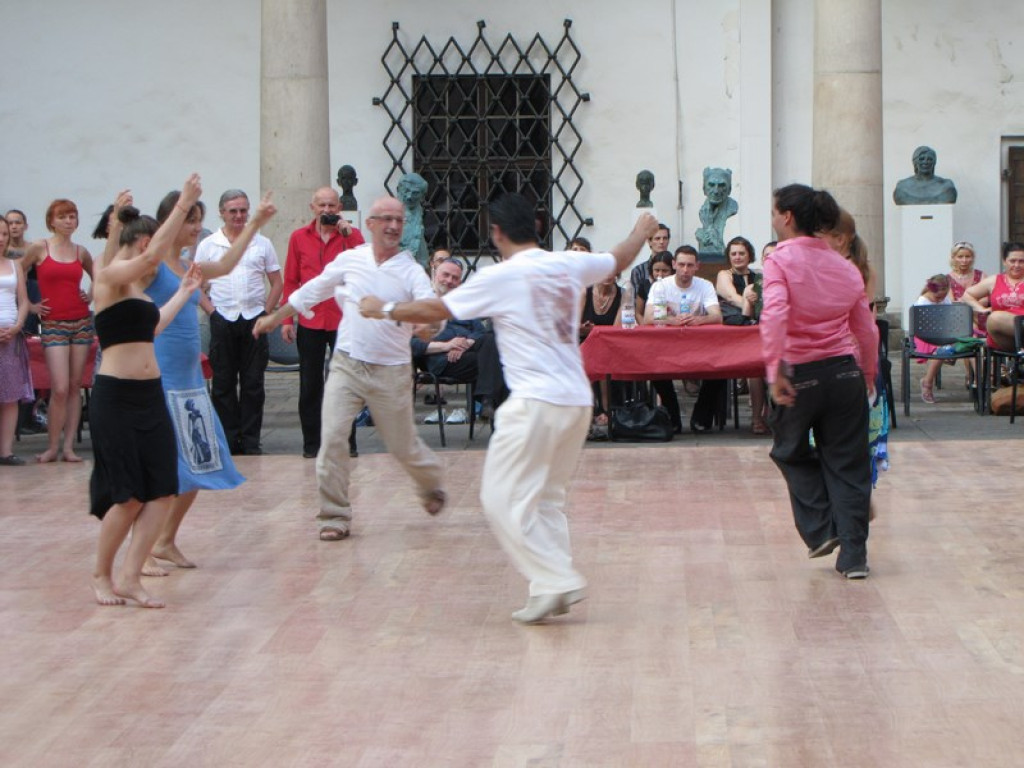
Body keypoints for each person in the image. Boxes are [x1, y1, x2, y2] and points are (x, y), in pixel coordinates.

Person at [359, 194, 659, 623]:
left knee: (498, 498)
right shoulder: (566, 263)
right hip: (576, 401)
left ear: (496, 233)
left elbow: (436, 308)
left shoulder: (500, 276)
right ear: (535, 225)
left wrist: (383, 308)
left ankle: (556, 579)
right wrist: (641, 230)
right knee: (546, 499)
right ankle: (547, 588)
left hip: (534, 403)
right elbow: (617, 259)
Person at [252, 196, 445, 542]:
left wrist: (394, 312)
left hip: (392, 371)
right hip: (347, 364)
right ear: (369, 224)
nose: (393, 225)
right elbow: (313, 289)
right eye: (385, 218)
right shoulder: (350, 259)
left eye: (398, 220)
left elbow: (431, 312)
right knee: (332, 438)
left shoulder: (410, 269)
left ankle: (429, 483)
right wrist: (276, 317)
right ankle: (334, 514)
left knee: (403, 446)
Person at [138, 185, 276, 572]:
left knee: (203, 459)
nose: (197, 228)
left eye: (200, 221)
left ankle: (164, 541)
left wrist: (256, 224)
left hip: (190, 377)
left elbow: (230, 263)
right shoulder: (151, 265)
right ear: (173, 222)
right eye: (191, 220)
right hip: (162, 376)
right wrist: (181, 203)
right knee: (167, 466)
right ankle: (143, 548)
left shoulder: (189, 265)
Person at [88, 187, 204, 608]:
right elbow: (155, 257)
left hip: (150, 394)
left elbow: (152, 328)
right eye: (149, 243)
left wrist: (184, 293)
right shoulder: (108, 278)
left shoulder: (135, 291)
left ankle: (131, 577)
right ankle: (102, 575)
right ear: (141, 242)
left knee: (162, 490)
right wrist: (182, 206)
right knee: (128, 495)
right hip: (115, 399)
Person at [761, 183, 878, 580]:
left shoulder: (779, 259)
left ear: (787, 216)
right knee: (849, 464)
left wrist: (774, 368)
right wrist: (867, 374)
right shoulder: (844, 265)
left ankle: (823, 529)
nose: (773, 217)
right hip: (844, 372)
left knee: (789, 451)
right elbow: (866, 328)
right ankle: (854, 557)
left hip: (798, 373)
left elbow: (775, 312)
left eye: (775, 211)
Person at [194, 189, 282, 455]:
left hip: (254, 318)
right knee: (223, 383)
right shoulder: (209, 245)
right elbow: (195, 283)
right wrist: (211, 312)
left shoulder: (262, 243)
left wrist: (267, 313)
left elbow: (277, 282)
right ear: (222, 212)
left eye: (244, 210)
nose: (239, 216)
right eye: (233, 211)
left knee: (253, 383)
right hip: (223, 317)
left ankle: (251, 439)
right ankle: (228, 440)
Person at [281, 186, 365, 459]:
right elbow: (292, 280)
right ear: (312, 208)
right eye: (322, 206)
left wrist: (346, 231)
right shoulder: (298, 238)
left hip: (343, 320)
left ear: (339, 207)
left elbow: (366, 262)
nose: (327, 211)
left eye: (332, 206)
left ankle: (347, 442)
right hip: (311, 319)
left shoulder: (350, 236)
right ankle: (312, 444)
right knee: (310, 384)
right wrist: (286, 320)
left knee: (346, 383)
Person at [819, 208, 890, 492]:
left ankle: (856, 490)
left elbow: (865, 317)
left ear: (839, 238)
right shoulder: (826, 265)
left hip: (849, 350)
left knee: (855, 430)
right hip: (836, 349)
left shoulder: (857, 268)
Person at [20, 199, 95, 463]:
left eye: (72, 216)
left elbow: (98, 273)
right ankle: (52, 446)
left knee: (75, 385)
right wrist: (28, 304)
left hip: (81, 320)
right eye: (62, 217)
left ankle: (68, 448)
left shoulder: (80, 251)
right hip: (53, 324)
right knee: (60, 387)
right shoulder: (40, 247)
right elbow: (18, 269)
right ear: (52, 220)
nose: (68, 221)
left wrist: (91, 293)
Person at [412, 257, 507, 421]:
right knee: (501, 364)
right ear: (434, 273)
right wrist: (446, 346)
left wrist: (465, 343)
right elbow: (411, 344)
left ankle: (489, 403)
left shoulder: (463, 305)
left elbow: (480, 332)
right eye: (446, 275)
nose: (449, 281)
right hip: (441, 361)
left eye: (455, 278)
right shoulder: (420, 304)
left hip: (468, 354)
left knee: (493, 338)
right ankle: (490, 405)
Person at [644, 245, 725, 433]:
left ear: (697, 266)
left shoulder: (704, 285)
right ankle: (672, 416)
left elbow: (717, 316)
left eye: (690, 265)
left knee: (722, 368)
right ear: (674, 264)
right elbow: (649, 317)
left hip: (700, 347)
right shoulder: (661, 286)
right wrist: (672, 320)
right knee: (653, 368)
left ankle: (701, 417)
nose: (685, 270)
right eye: (681, 265)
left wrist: (699, 319)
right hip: (666, 347)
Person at [715, 235, 768, 434]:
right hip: (734, 334)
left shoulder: (758, 277)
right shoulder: (724, 274)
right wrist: (749, 302)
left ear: (749, 255)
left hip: (756, 331)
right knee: (755, 369)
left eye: (742, 253)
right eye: (734, 253)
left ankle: (766, 413)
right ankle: (756, 418)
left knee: (762, 367)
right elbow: (731, 296)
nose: (738, 257)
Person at [0, 215, 33, 465]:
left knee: (10, 395)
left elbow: (23, 301)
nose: (1, 239)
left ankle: (5, 451)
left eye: (4, 234)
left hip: (10, 334)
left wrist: (18, 325)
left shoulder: (15, 266)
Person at [578, 261, 623, 435]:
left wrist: (595, 329)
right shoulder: (585, 293)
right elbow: (574, 324)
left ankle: (605, 407)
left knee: (602, 352)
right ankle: (593, 408)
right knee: (587, 354)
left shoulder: (623, 294)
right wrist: (584, 328)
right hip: (583, 340)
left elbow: (618, 327)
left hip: (611, 343)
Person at [962, 242, 1024, 352]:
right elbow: (967, 295)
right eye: (1012, 261)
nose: (1017, 265)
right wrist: (982, 309)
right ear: (1004, 261)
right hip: (1002, 334)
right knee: (995, 318)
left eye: (1021, 261)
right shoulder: (994, 280)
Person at [912, 274, 953, 404]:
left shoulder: (945, 300)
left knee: (967, 341)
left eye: (943, 296)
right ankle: (927, 382)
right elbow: (921, 325)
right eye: (937, 297)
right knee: (940, 350)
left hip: (942, 334)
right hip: (925, 336)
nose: (939, 300)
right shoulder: (923, 302)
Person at [695, 167, 738, 259]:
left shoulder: (732, 207)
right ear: (704, 189)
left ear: (729, 189)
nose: (716, 191)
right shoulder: (703, 211)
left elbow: (719, 248)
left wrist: (708, 226)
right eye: (711, 185)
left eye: (721, 185)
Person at [892, 146, 958, 205]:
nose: (925, 162)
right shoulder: (902, 186)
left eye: (929, 159)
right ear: (915, 162)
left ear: (934, 162)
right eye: (921, 159)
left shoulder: (946, 186)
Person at [629, 223, 670, 300]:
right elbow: (634, 301)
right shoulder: (638, 271)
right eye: (657, 238)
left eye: (665, 238)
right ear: (649, 242)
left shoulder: (676, 267)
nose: (661, 242)